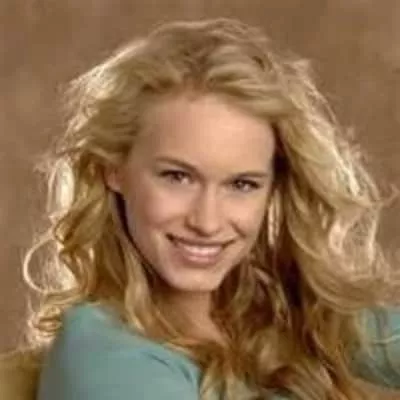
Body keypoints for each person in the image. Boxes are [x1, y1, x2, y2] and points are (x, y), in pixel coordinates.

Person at [21, 18, 400, 400]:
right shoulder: (104, 353)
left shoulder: (274, 313)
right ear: (114, 170)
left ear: (273, 189)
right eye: (177, 177)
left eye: (242, 184)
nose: (207, 222)